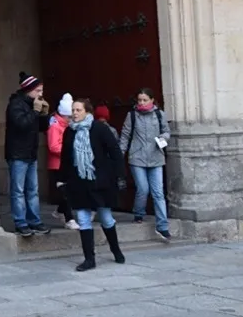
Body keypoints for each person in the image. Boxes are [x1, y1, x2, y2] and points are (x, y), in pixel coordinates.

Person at [59, 98, 126, 272]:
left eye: (78, 110)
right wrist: (62, 179)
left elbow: (115, 152)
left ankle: (116, 249)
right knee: (83, 219)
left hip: (99, 181)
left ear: (87, 112)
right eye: (73, 110)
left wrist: (118, 175)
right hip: (78, 181)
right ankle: (89, 259)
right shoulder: (69, 132)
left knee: (105, 218)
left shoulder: (99, 129)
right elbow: (66, 158)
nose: (74, 113)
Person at [119, 87, 172, 240]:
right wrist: (120, 154)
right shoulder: (132, 115)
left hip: (156, 156)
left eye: (145, 100)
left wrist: (164, 137)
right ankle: (139, 212)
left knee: (158, 193)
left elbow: (167, 131)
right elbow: (125, 136)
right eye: (139, 100)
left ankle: (162, 226)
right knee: (143, 188)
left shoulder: (159, 114)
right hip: (137, 157)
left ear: (152, 100)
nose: (141, 103)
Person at [5, 71, 52, 236]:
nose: (41, 94)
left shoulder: (34, 106)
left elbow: (41, 128)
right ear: (28, 90)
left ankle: (35, 220)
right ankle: (20, 222)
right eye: (38, 91)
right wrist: (35, 112)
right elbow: (22, 125)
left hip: (31, 153)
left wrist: (44, 115)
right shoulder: (16, 104)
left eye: (41, 91)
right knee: (18, 191)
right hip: (17, 154)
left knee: (33, 190)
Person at [47, 93, 79, 230]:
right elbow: (53, 146)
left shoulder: (69, 126)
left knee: (68, 192)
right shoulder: (55, 126)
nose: (72, 119)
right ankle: (69, 219)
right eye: (69, 116)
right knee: (65, 192)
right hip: (57, 164)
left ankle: (60, 212)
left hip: (67, 164)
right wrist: (69, 151)